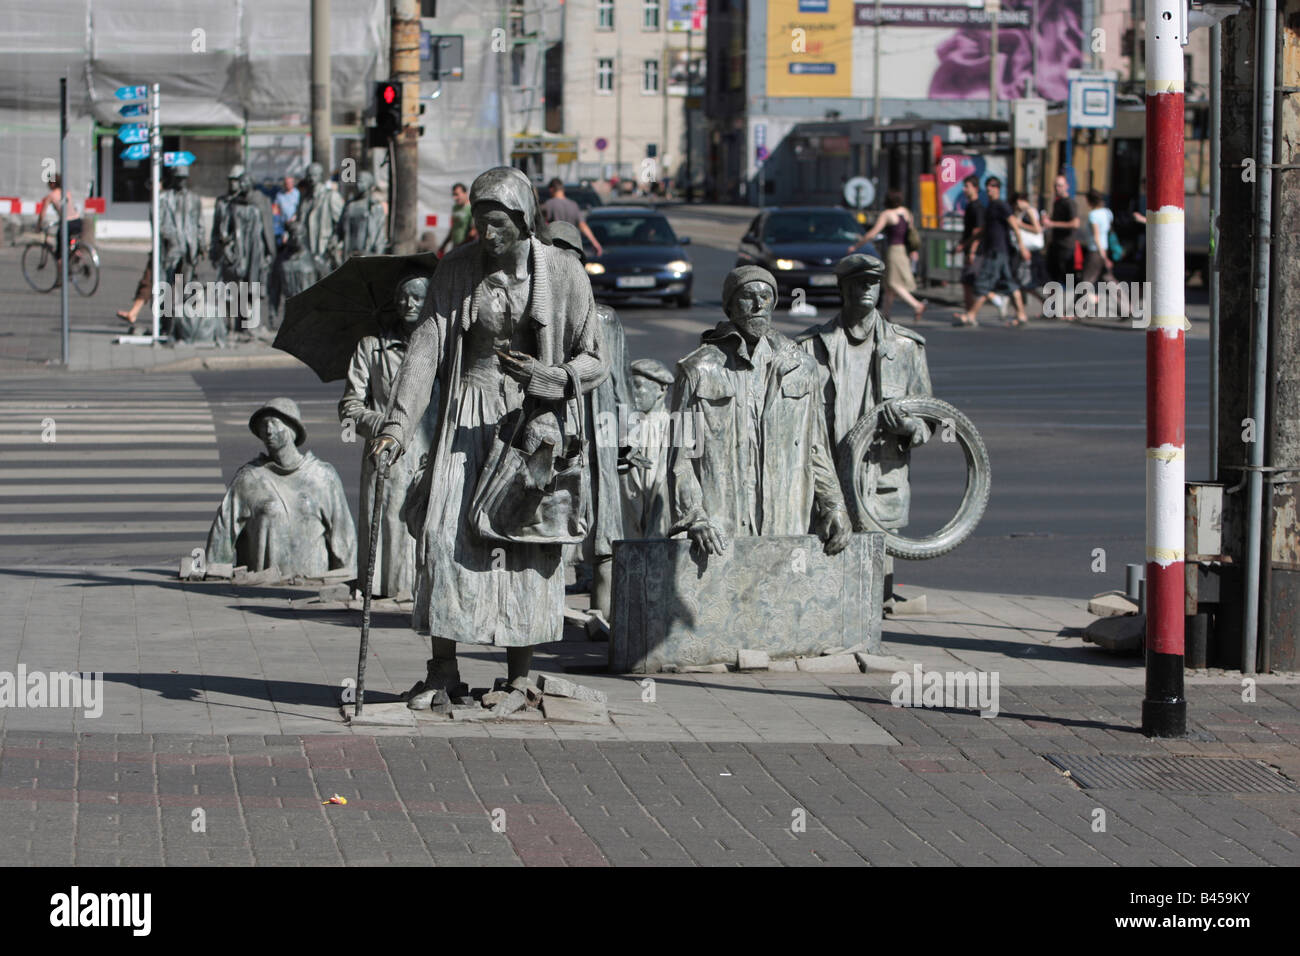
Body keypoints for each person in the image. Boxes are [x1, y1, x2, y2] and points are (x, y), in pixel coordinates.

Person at [369, 166, 607, 704]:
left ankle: (520, 676)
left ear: (524, 221)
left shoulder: (565, 273)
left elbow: (595, 363)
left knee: (524, 545)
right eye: (480, 223)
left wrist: (550, 378)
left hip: (528, 423)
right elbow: (425, 348)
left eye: (498, 224)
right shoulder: (457, 270)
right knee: (442, 537)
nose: (488, 236)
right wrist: (397, 427)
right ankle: (443, 669)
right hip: (464, 415)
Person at [668, 265, 852, 558]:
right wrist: (693, 516)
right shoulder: (697, 370)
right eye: (747, 296)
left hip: (785, 522)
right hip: (721, 528)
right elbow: (680, 456)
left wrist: (833, 504)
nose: (758, 304)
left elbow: (816, 445)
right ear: (729, 306)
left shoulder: (800, 367)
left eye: (766, 296)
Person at [796, 254, 931, 608]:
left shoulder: (905, 347)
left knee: (873, 596)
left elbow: (929, 420)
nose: (866, 289)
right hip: (828, 476)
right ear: (843, 287)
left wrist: (910, 427)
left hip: (881, 475)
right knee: (827, 586)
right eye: (858, 282)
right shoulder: (810, 347)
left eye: (872, 282)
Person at [549, 220, 633, 621]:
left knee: (605, 529)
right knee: (548, 526)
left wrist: (628, 433)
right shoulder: (536, 318)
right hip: (554, 432)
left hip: (598, 431)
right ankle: (547, 616)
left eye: (571, 256)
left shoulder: (605, 318)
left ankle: (604, 615)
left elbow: (621, 380)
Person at [338, 271, 437, 599]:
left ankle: (423, 590)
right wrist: (384, 424)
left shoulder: (444, 348)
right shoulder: (372, 347)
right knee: (388, 529)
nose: (409, 304)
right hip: (386, 454)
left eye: (418, 298)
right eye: (403, 297)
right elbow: (349, 407)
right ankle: (382, 590)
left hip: (430, 452)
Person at [206, 398, 357, 578]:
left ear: (293, 429)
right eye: (263, 425)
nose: (268, 430)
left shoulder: (322, 477)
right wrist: (215, 578)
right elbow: (222, 536)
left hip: (310, 591)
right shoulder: (249, 479)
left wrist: (348, 582)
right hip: (262, 591)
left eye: (275, 423)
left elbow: (344, 539)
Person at [953, 176, 1028, 327]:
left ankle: (971, 315)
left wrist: (1022, 246)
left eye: (993, 186)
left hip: (997, 251)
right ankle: (1021, 315)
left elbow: (1014, 225)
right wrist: (966, 243)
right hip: (996, 251)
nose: (989, 189)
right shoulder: (990, 207)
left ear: (998, 188)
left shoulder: (1001, 205)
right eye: (988, 186)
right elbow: (983, 231)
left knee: (983, 283)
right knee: (1010, 283)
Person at [848, 189, 925, 321]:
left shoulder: (887, 214)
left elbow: (873, 233)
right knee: (888, 286)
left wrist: (856, 245)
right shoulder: (906, 212)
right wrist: (913, 250)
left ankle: (916, 305)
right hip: (904, 250)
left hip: (893, 251)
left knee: (893, 283)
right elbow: (911, 234)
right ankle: (885, 315)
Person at [620, 358, 675, 539]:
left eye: (638, 386)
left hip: (663, 532)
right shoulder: (622, 427)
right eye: (629, 387)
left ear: (661, 389)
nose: (632, 393)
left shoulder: (675, 429)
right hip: (629, 531)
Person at [297, 161, 344, 275]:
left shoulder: (331, 196)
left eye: (314, 175)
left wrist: (334, 243)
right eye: (309, 175)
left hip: (324, 252)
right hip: (308, 254)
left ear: (320, 176)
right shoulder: (305, 200)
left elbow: (342, 224)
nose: (311, 179)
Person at [540, 178, 604, 257]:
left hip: (555, 248)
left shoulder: (548, 205)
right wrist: (595, 243)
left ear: (551, 189)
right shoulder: (574, 205)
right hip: (573, 247)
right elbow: (583, 226)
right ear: (562, 189)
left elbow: (540, 226)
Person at [1010, 191, 1049, 313]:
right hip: (1026, 250)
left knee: (1029, 281)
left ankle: (1049, 305)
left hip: (1032, 251)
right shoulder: (1023, 212)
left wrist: (1020, 224)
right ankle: (1046, 304)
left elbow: (1037, 229)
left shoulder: (1030, 211)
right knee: (1026, 282)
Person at [1040, 174, 1080, 292]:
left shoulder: (1070, 203)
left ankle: (1080, 304)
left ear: (1066, 186)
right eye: (1055, 186)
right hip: (1055, 245)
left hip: (1066, 246)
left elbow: (1075, 224)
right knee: (1053, 279)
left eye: (1060, 186)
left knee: (1068, 279)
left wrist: (1053, 224)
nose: (1057, 188)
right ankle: (1052, 308)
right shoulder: (1057, 202)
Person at [336, 171, 388, 258]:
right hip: (349, 253)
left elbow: (380, 235)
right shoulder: (349, 205)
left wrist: (377, 255)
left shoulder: (374, 207)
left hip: (367, 253)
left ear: (370, 184)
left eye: (362, 181)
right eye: (357, 181)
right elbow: (340, 230)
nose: (358, 184)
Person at [955, 175, 985, 324]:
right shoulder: (970, 205)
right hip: (970, 249)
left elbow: (978, 231)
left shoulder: (977, 207)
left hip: (976, 251)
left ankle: (971, 314)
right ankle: (969, 313)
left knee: (970, 282)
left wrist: (971, 249)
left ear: (975, 188)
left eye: (967, 186)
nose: (964, 189)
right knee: (968, 282)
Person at [37, 174, 83, 259]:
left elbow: (42, 214)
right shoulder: (66, 192)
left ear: (53, 184)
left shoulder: (51, 196)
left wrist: (39, 226)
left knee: (60, 255)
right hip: (77, 221)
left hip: (67, 224)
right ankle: (78, 256)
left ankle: (61, 269)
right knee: (70, 245)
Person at [436, 182, 477, 255]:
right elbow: (453, 228)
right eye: (453, 195)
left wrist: (461, 246)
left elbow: (473, 232)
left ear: (465, 193)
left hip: (467, 248)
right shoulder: (455, 208)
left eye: (457, 194)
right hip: (456, 246)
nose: (455, 198)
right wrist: (443, 245)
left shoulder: (471, 208)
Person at [272, 174, 299, 247]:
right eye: (286, 183)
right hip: (283, 223)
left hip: (294, 222)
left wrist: (295, 217)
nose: (288, 185)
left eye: (290, 183)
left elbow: (299, 207)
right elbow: (275, 208)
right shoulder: (280, 195)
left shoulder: (297, 194)